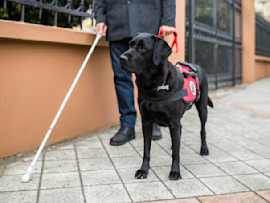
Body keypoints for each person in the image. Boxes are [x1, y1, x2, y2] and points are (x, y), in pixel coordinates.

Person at [94, 0, 176, 146]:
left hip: (149, 21)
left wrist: (168, 19)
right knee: (121, 76)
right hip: (117, 23)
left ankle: (155, 120)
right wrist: (100, 17)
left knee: (154, 77)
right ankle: (127, 125)